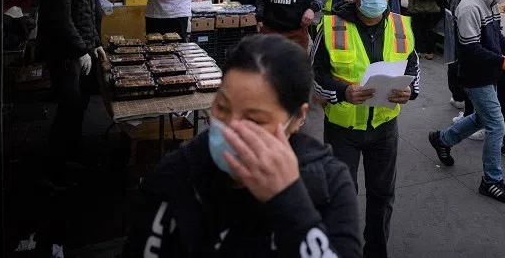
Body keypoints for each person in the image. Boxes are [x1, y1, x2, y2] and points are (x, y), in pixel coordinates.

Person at [123, 35, 362, 257]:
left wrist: (289, 201)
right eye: (222, 108)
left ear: (297, 119)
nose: (231, 128)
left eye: (254, 120)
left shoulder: (328, 185)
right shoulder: (177, 174)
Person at [312, 0, 421, 258]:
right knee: (341, 197)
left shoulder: (401, 26)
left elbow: (413, 69)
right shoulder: (332, 26)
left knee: (382, 197)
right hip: (342, 130)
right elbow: (315, 77)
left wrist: (411, 92)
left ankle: (377, 251)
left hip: (385, 129)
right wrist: (343, 92)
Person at [429, 0, 505, 205]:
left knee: (483, 119)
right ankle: (491, 181)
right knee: (497, 125)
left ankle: (442, 140)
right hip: (475, 75)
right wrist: (502, 60)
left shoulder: (490, 0)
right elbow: (470, 50)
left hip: (489, 72)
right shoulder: (470, 6)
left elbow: (495, 34)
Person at [38, 0, 103, 186]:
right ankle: (56, 168)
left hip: (81, 49)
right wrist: (79, 50)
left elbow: (85, 13)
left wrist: (94, 44)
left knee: (78, 107)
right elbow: (61, 19)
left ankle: (73, 154)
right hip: (65, 53)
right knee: (68, 108)